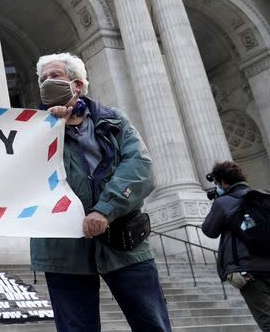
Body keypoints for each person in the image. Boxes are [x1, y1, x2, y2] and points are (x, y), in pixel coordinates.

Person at [29, 53, 172, 332]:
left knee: (153, 325)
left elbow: (139, 166)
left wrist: (105, 208)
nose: (47, 82)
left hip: (124, 239)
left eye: (55, 75)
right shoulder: (32, 129)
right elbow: (21, 179)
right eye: (42, 79)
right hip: (61, 248)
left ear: (77, 84)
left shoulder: (114, 120)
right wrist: (50, 130)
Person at [202, 161, 270, 331]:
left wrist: (217, 203)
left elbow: (209, 230)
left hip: (250, 271)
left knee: (269, 323)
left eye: (217, 184)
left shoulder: (224, 202)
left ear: (222, 182)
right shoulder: (262, 196)